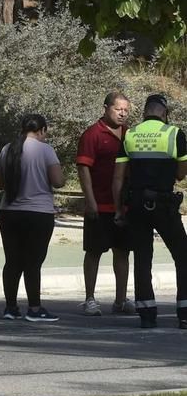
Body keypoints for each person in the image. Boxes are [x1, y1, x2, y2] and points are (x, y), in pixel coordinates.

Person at [113, 94, 187, 329]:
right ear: (164, 113)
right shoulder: (174, 134)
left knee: (142, 259)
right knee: (182, 256)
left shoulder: (130, 135)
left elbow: (118, 177)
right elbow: (181, 174)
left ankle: (146, 313)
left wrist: (118, 210)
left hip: (136, 206)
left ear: (144, 112)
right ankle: (184, 313)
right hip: (163, 205)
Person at [0, 114, 66, 322]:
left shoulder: (7, 149)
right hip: (38, 213)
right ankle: (34, 308)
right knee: (33, 262)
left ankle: (10, 307)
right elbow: (58, 181)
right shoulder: (46, 150)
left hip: (9, 212)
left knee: (12, 261)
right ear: (42, 130)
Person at [76, 92, 136, 316]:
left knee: (122, 252)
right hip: (99, 206)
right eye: (118, 108)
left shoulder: (130, 134)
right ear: (106, 108)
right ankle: (89, 299)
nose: (122, 113)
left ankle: (121, 300)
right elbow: (83, 169)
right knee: (93, 252)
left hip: (123, 207)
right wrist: (90, 200)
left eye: (126, 110)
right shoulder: (93, 134)